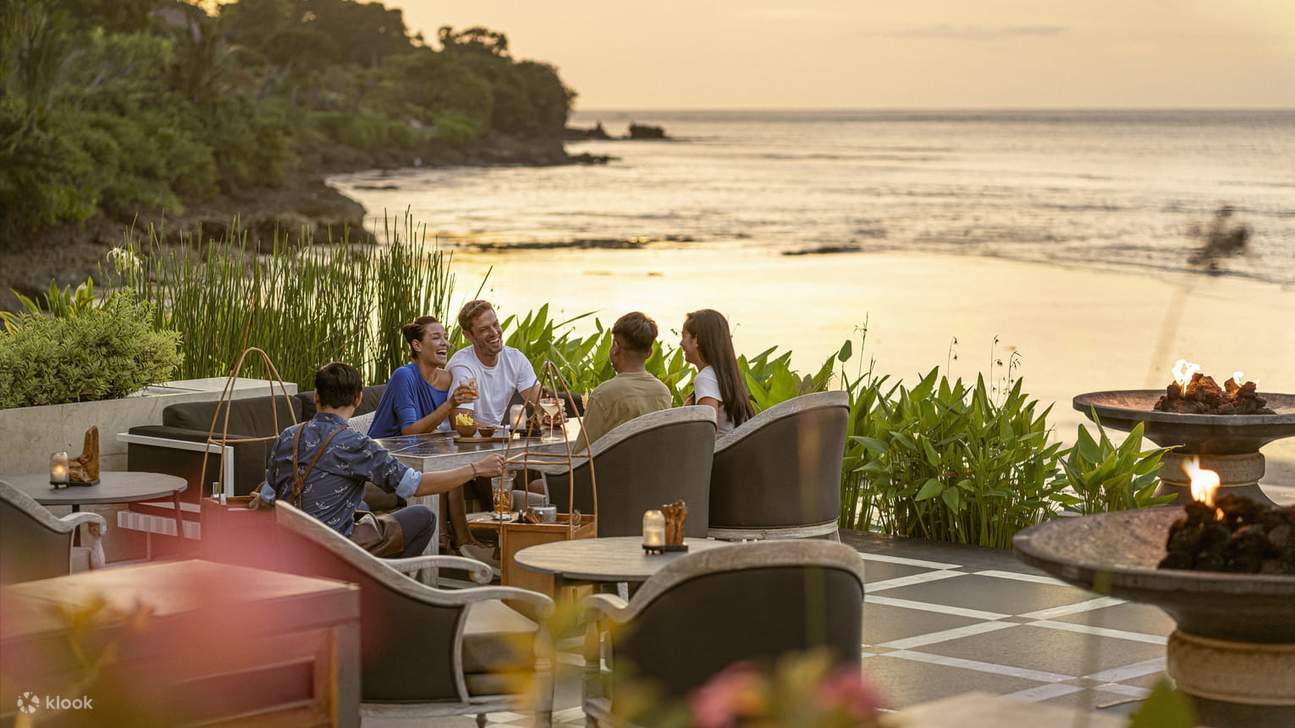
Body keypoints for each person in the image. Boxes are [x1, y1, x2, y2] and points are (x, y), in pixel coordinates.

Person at [255, 362, 503, 559]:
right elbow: (415, 486)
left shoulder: (289, 435)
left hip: (287, 546)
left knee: (361, 505)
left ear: (317, 396)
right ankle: (382, 584)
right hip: (334, 549)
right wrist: (477, 468)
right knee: (423, 516)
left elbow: (267, 494)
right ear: (358, 399)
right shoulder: (357, 444)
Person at [447, 299, 549, 428]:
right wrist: (506, 432)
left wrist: (551, 413)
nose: (494, 332)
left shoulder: (515, 358)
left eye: (495, 324)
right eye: (484, 329)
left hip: (495, 439)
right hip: (460, 444)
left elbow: (541, 402)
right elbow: (461, 422)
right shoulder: (463, 366)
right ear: (468, 336)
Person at [369, 316, 473, 438]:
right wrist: (450, 404)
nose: (445, 343)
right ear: (417, 345)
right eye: (436, 337)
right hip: (384, 451)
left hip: (422, 449)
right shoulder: (403, 376)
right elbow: (409, 431)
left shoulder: (448, 379)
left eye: (445, 337)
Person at [579, 312, 673, 444]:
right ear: (649, 352)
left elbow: (583, 453)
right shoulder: (663, 392)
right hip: (653, 464)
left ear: (616, 348)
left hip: (615, 464)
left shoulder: (603, 395)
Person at [681, 309, 754, 435]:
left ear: (696, 339)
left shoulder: (705, 378)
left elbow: (705, 431)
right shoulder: (724, 376)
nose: (681, 343)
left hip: (716, 453)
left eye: (684, 336)